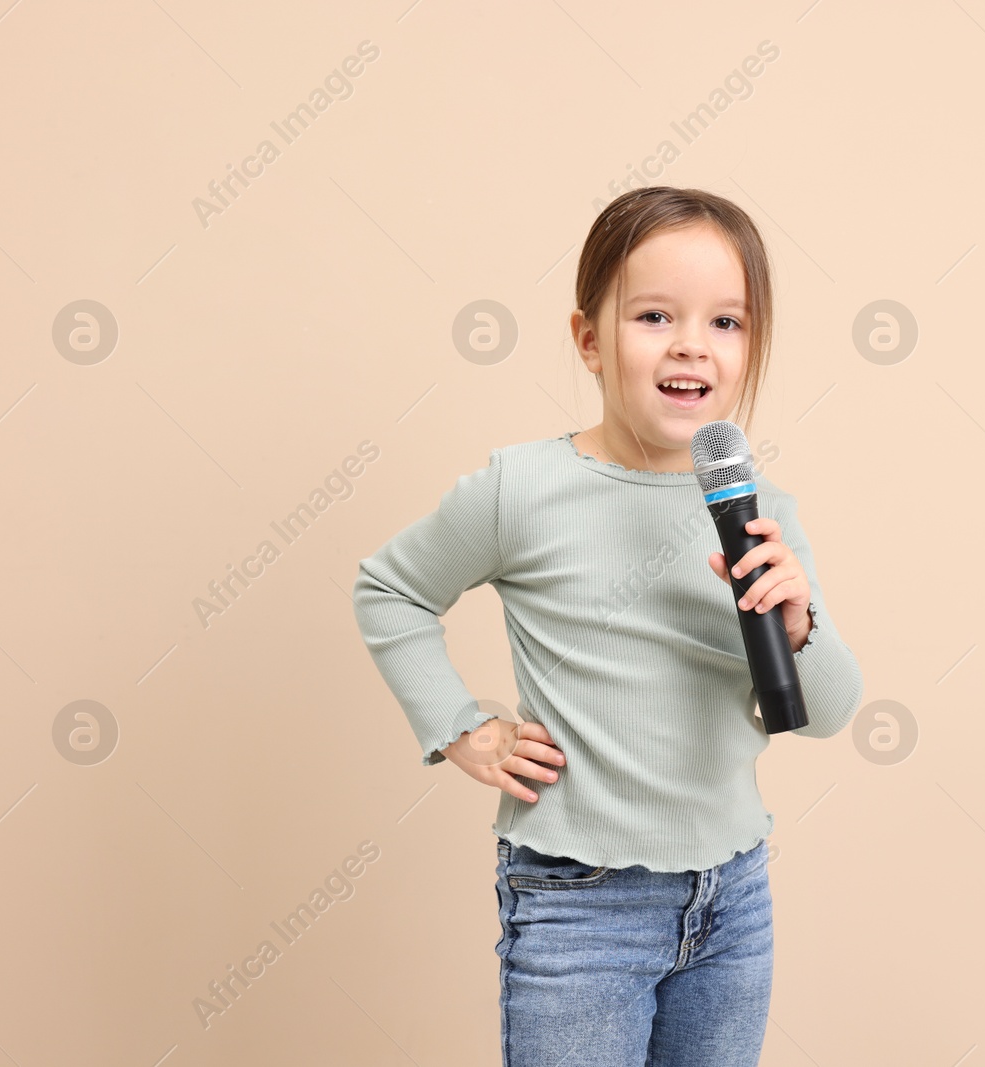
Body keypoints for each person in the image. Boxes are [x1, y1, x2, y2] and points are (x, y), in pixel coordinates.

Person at [352, 185, 865, 1066]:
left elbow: (821, 712)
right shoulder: (523, 488)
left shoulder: (761, 512)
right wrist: (461, 728)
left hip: (731, 898)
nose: (692, 345)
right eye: (655, 315)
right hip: (579, 904)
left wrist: (800, 621)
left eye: (728, 323)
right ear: (590, 339)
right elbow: (389, 590)